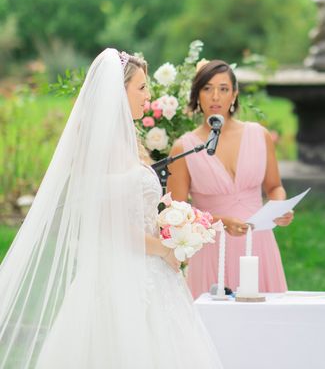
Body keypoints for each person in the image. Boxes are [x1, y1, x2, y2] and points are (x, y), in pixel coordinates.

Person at [0, 49, 223, 368]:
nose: (149, 95)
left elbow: (132, 207)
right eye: (142, 88)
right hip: (122, 276)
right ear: (118, 92)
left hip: (149, 269)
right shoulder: (102, 148)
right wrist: (164, 248)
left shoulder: (128, 139)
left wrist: (174, 226)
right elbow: (109, 223)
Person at [167, 60, 293, 298]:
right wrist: (220, 221)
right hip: (212, 249)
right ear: (197, 95)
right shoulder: (184, 147)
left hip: (258, 245)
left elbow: (275, 186)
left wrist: (279, 206)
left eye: (223, 89)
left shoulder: (259, 135)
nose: (216, 96)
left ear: (234, 94)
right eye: (207, 88)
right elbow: (178, 214)